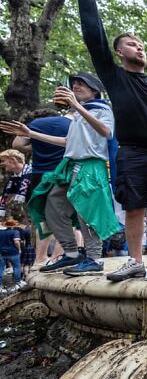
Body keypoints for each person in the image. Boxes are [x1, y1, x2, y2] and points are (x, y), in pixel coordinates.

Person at [78, 0, 147, 281]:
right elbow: (93, 37)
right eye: (133, 44)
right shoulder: (114, 77)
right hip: (131, 153)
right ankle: (135, 260)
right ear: (119, 52)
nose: (140, 47)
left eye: (142, 45)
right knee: (134, 208)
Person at [2, 74, 121, 276]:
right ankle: (72, 253)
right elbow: (67, 141)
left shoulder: (102, 109)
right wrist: (31, 134)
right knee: (52, 206)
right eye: (74, 84)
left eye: (81, 84)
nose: (76, 86)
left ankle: (94, 259)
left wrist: (77, 106)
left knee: (87, 212)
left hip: (90, 167)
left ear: (94, 90)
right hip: (69, 166)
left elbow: (106, 131)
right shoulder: (77, 115)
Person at [10, 109, 70, 266]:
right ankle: (57, 257)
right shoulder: (69, 123)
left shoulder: (35, 124)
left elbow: (16, 144)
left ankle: (40, 258)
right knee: (63, 216)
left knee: (42, 218)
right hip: (61, 173)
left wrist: (36, 146)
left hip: (39, 175)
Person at [0, 149, 31, 222]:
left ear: (13, 160)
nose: (1, 163)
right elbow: (8, 197)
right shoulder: (14, 178)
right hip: (28, 214)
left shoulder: (32, 174)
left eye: (3, 161)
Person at [0, 218, 23, 293]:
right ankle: (17, 283)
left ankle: (0, 286)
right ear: (14, 225)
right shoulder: (15, 231)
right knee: (16, 267)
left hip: (3, 253)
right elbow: (16, 242)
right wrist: (19, 249)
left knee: (0, 269)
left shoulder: (1, 232)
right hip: (13, 253)